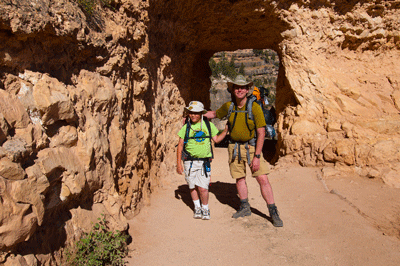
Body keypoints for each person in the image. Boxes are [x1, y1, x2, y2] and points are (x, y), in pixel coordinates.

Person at [204, 75, 283, 227]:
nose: (239, 90)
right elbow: (213, 114)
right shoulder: (229, 106)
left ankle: (273, 211)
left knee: (262, 179)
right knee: (239, 178)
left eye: (242, 87)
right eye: (236, 87)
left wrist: (257, 156)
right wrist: (196, 114)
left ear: (247, 90)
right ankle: (245, 206)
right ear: (232, 90)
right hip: (234, 147)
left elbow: (261, 133)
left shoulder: (254, 107)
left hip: (252, 147)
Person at [177, 101, 228, 220]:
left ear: (201, 113)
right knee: (192, 186)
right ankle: (197, 207)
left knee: (203, 188)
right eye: (191, 113)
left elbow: (216, 140)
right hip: (189, 161)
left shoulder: (208, 126)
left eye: (196, 113)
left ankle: (205, 208)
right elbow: (180, 145)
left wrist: (225, 131)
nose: (193, 115)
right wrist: (178, 164)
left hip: (204, 162)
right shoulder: (186, 127)